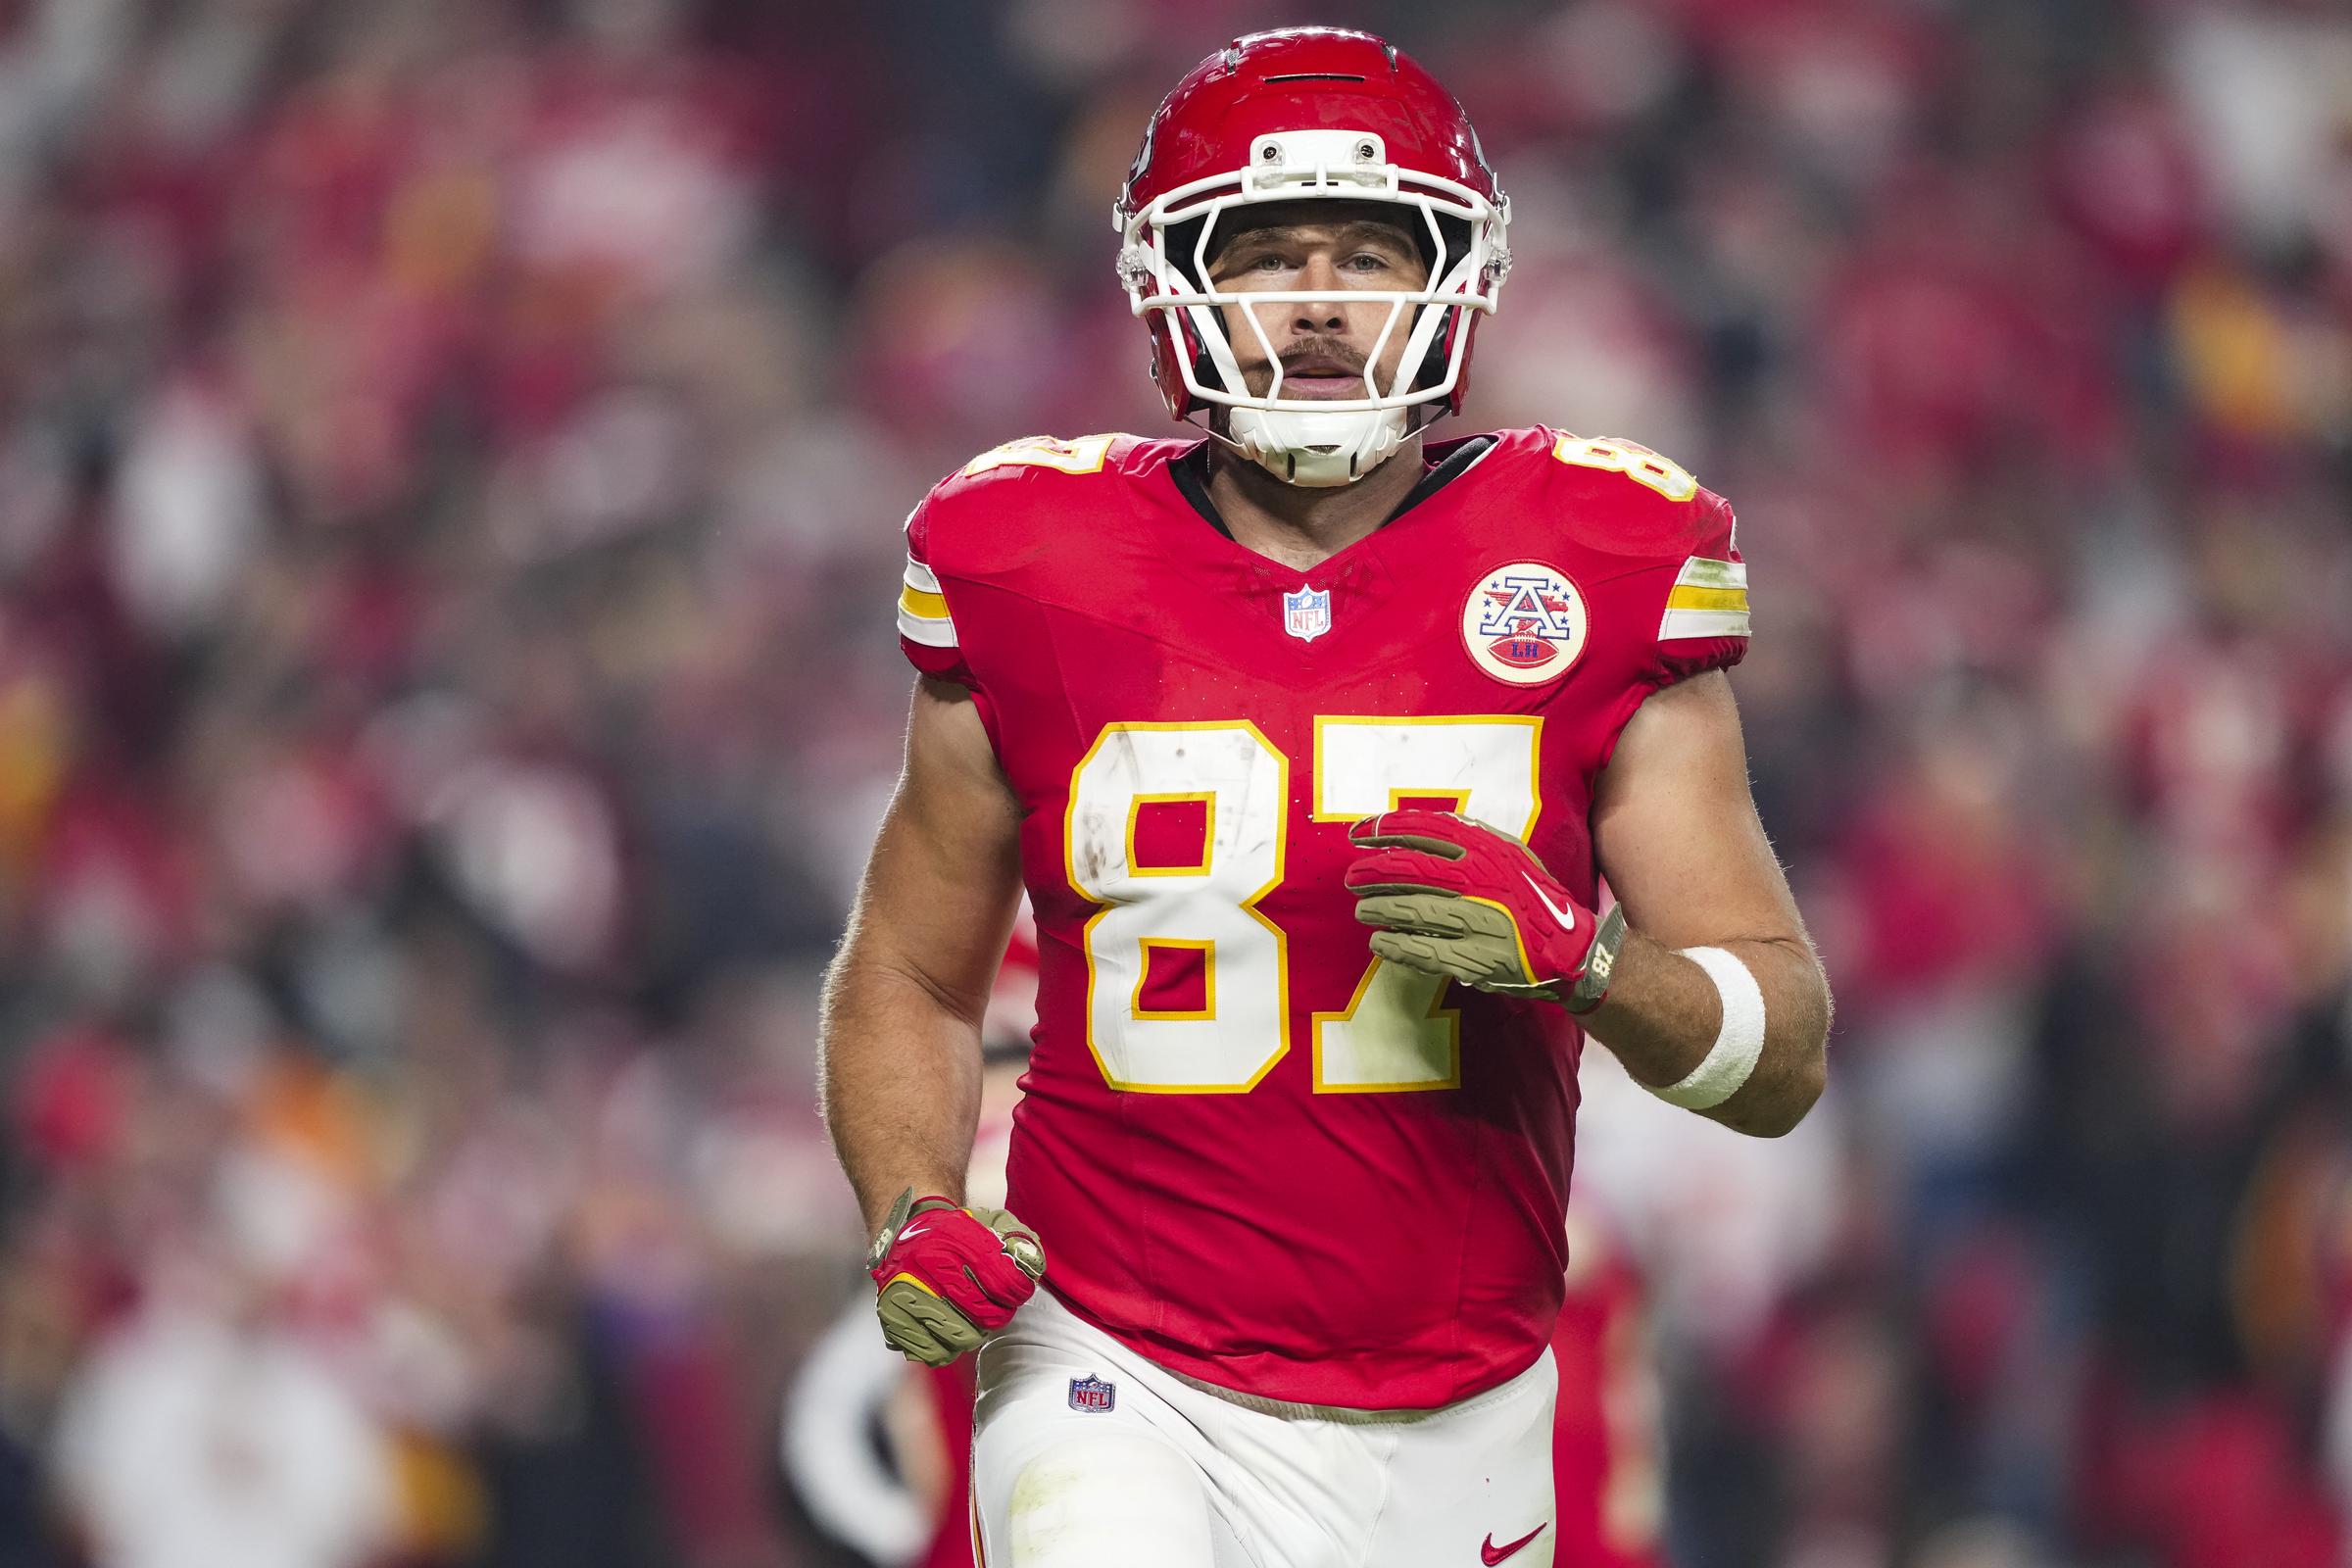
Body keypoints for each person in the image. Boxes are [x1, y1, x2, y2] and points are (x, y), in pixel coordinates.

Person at [819, 26, 1832, 1567]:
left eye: (1367, 251)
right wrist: (908, 1204)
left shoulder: (1604, 552)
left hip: (1465, 1394)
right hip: (1117, 1357)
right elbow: (905, 967)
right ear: (1178, 285)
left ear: (1456, 275)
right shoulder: (1026, 554)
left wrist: (1589, 967)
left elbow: (1783, 1055)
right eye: (1266, 253)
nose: (1313, 301)